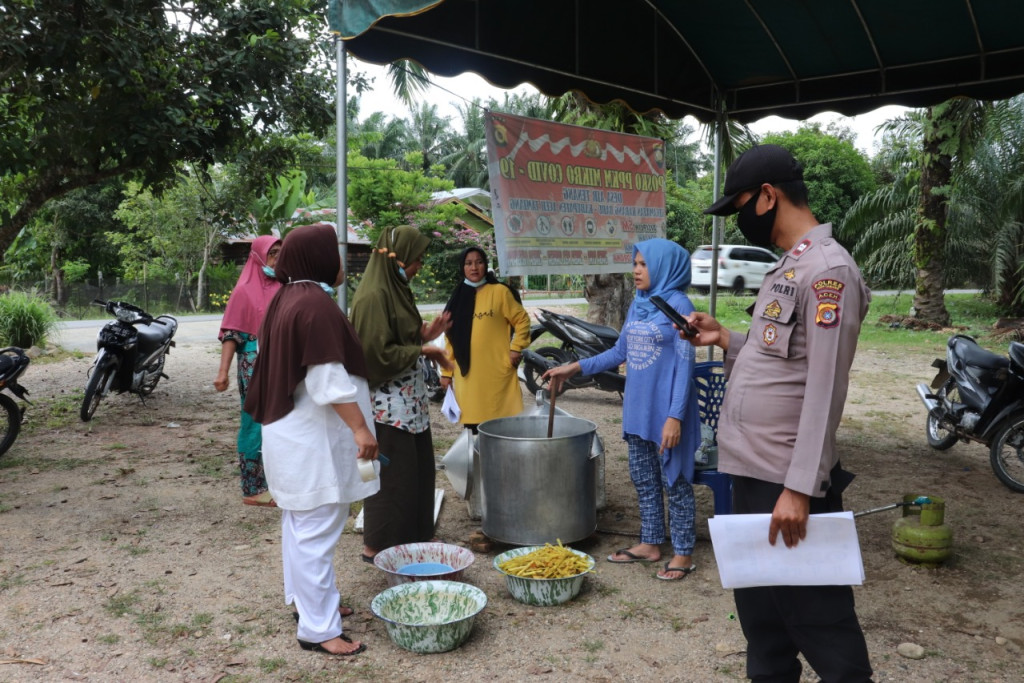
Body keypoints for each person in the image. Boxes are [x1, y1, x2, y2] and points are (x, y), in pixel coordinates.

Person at [684, 144, 873, 681]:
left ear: (768, 196)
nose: (738, 218)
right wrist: (727, 337)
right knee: (763, 626)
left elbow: (824, 386)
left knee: (819, 622)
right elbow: (780, 356)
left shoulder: (828, 271)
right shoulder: (787, 267)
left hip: (784, 482)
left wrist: (800, 487)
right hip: (749, 473)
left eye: (740, 204)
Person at [243, 223, 379, 657]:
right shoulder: (314, 305)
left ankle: (311, 606)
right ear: (318, 258)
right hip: (311, 441)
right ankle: (320, 630)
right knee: (316, 531)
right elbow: (327, 380)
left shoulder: (286, 297)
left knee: (301, 528)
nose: (341, 262)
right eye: (334, 253)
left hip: (291, 436)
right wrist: (360, 428)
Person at [544, 238, 701, 581]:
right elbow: (618, 353)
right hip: (638, 409)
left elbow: (687, 366)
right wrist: (574, 367)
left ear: (664, 266)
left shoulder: (679, 304)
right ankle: (650, 543)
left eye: (643, 264)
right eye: (635, 263)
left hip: (668, 413)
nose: (636, 270)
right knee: (644, 480)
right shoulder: (640, 303)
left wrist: (675, 417)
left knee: (674, 481)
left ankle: (685, 552)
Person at [350, 226, 452, 562]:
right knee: (389, 477)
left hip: (409, 402)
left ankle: (412, 539)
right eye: (416, 260)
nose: (419, 266)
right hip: (386, 406)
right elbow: (374, 354)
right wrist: (427, 350)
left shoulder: (396, 289)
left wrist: (428, 334)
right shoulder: (373, 297)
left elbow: (401, 337)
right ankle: (376, 546)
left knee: (416, 473)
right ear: (398, 257)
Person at [213, 235, 282, 507]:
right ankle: (253, 488)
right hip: (254, 363)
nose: (277, 259)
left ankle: (278, 482)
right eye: (272, 253)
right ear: (257, 256)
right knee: (254, 421)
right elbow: (232, 333)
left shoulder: (285, 285)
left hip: (282, 360)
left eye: (281, 252)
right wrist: (223, 373)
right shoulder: (244, 290)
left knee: (282, 420)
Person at [439, 246, 531, 431]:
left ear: (485, 265)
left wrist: (516, 348)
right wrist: (446, 373)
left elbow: (522, 320)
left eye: (479, 262)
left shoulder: (500, 292)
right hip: (469, 378)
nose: (474, 267)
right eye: (469, 263)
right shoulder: (457, 299)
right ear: (462, 267)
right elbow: (450, 338)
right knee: (474, 431)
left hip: (498, 373)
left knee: (504, 429)